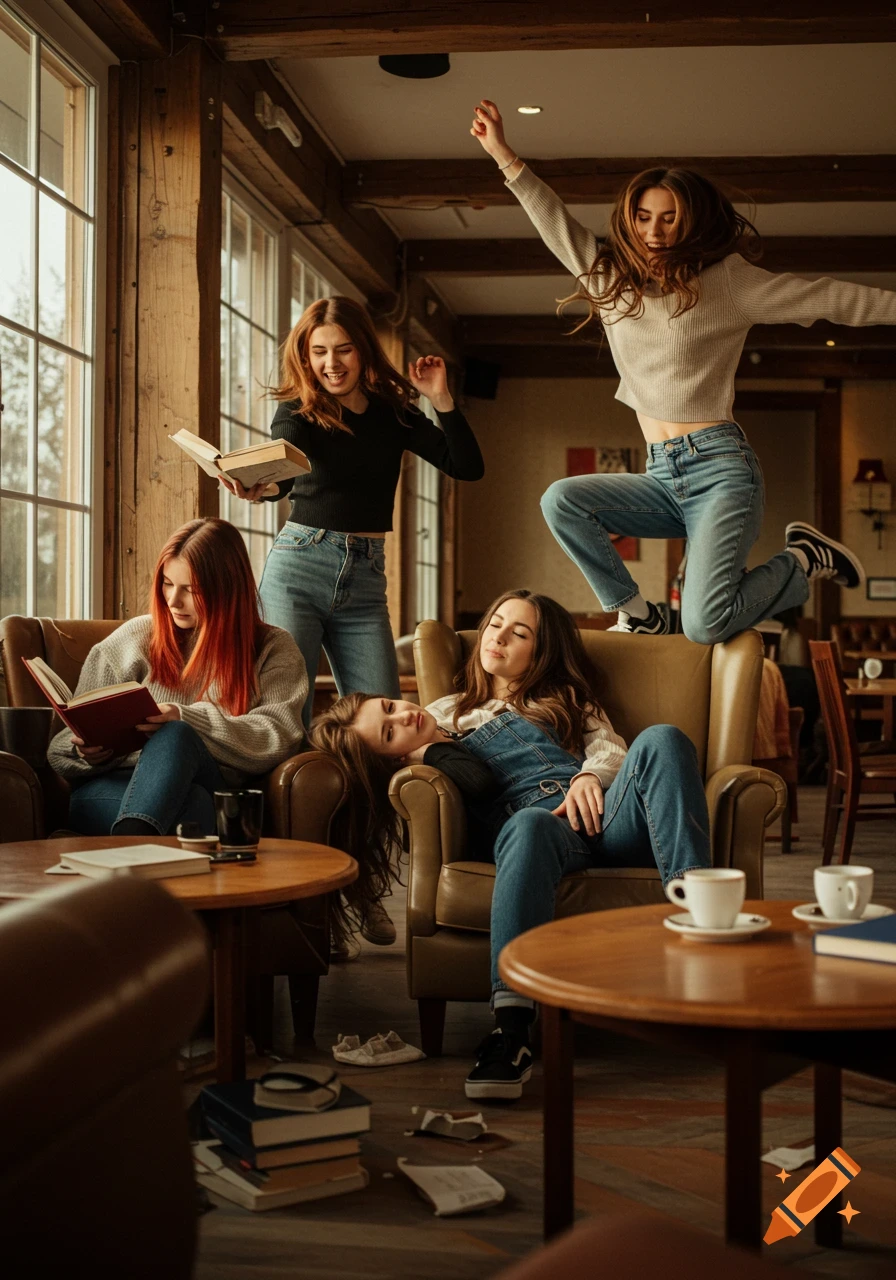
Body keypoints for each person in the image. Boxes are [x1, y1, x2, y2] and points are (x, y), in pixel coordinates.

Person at [470, 101, 896, 643]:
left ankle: (801, 561)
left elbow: (829, 297)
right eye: (644, 217)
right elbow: (552, 220)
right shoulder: (609, 279)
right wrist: (504, 156)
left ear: (690, 219)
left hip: (720, 471)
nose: (654, 231)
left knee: (702, 624)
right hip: (661, 475)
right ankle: (637, 611)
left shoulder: (730, 283)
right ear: (630, 219)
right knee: (561, 500)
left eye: (669, 218)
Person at [310, 589, 712, 1100]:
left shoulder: (566, 699)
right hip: (545, 837)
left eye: (517, 632)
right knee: (527, 824)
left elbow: (612, 749)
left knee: (664, 738)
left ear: (540, 653)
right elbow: (467, 781)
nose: (496, 636)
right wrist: (430, 748)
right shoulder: (445, 715)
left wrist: (590, 777)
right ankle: (512, 1031)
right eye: (494, 623)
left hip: (607, 816)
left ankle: (702, 917)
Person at [223, 296, 484, 949]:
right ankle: (306, 902)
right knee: (285, 728)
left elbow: (466, 465)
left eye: (341, 349)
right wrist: (258, 488)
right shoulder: (299, 412)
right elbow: (287, 479)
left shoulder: (396, 412)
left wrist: (442, 398)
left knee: (382, 748)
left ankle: (361, 886)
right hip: (298, 569)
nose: (330, 363)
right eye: (318, 352)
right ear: (305, 358)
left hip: (365, 579)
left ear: (363, 349)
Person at [48, 516, 307, 843]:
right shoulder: (132, 641)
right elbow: (57, 749)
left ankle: (127, 858)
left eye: (191, 590)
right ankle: (138, 859)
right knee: (196, 808)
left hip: (210, 786)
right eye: (167, 583)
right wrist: (84, 753)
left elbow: (280, 736)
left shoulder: (273, 648)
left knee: (178, 734)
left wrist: (187, 718)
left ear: (228, 590)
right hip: (110, 790)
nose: (173, 601)